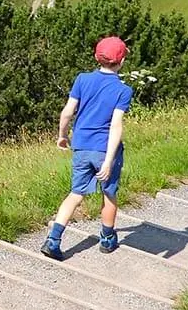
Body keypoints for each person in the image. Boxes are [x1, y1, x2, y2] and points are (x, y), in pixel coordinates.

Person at [41, 36, 133, 260]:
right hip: (104, 150)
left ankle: (53, 240)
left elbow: (67, 112)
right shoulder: (123, 90)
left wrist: (62, 136)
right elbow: (116, 127)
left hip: (81, 146)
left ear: (96, 57)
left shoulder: (82, 79)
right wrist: (109, 160)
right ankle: (107, 239)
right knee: (109, 194)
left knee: (75, 194)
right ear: (121, 62)